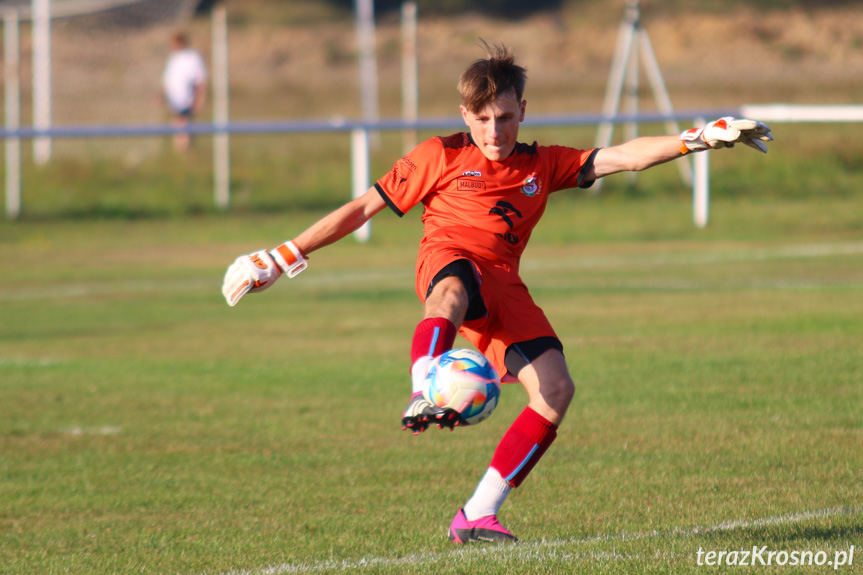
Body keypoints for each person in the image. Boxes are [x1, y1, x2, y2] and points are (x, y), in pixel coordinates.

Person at [221, 42, 772, 544]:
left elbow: (624, 156)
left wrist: (696, 139)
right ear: (465, 115)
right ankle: (424, 387)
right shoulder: (438, 155)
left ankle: (478, 513)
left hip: (505, 282)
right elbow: (362, 207)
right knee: (453, 290)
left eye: (505, 118)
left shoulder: (543, 164)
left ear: (523, 111)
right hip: (448, 259)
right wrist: (285, 253)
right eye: (482, 120)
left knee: (556, 389)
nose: (493, 131)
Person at [161, 31, 207, 152]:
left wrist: (199, 98)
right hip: (174, 98)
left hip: (186, 98)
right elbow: (168, 79)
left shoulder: (192, 57)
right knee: (178, 125)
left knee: (184, 125)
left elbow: (200, 80)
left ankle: (186, 150)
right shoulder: (173, 58)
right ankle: (181, 151)